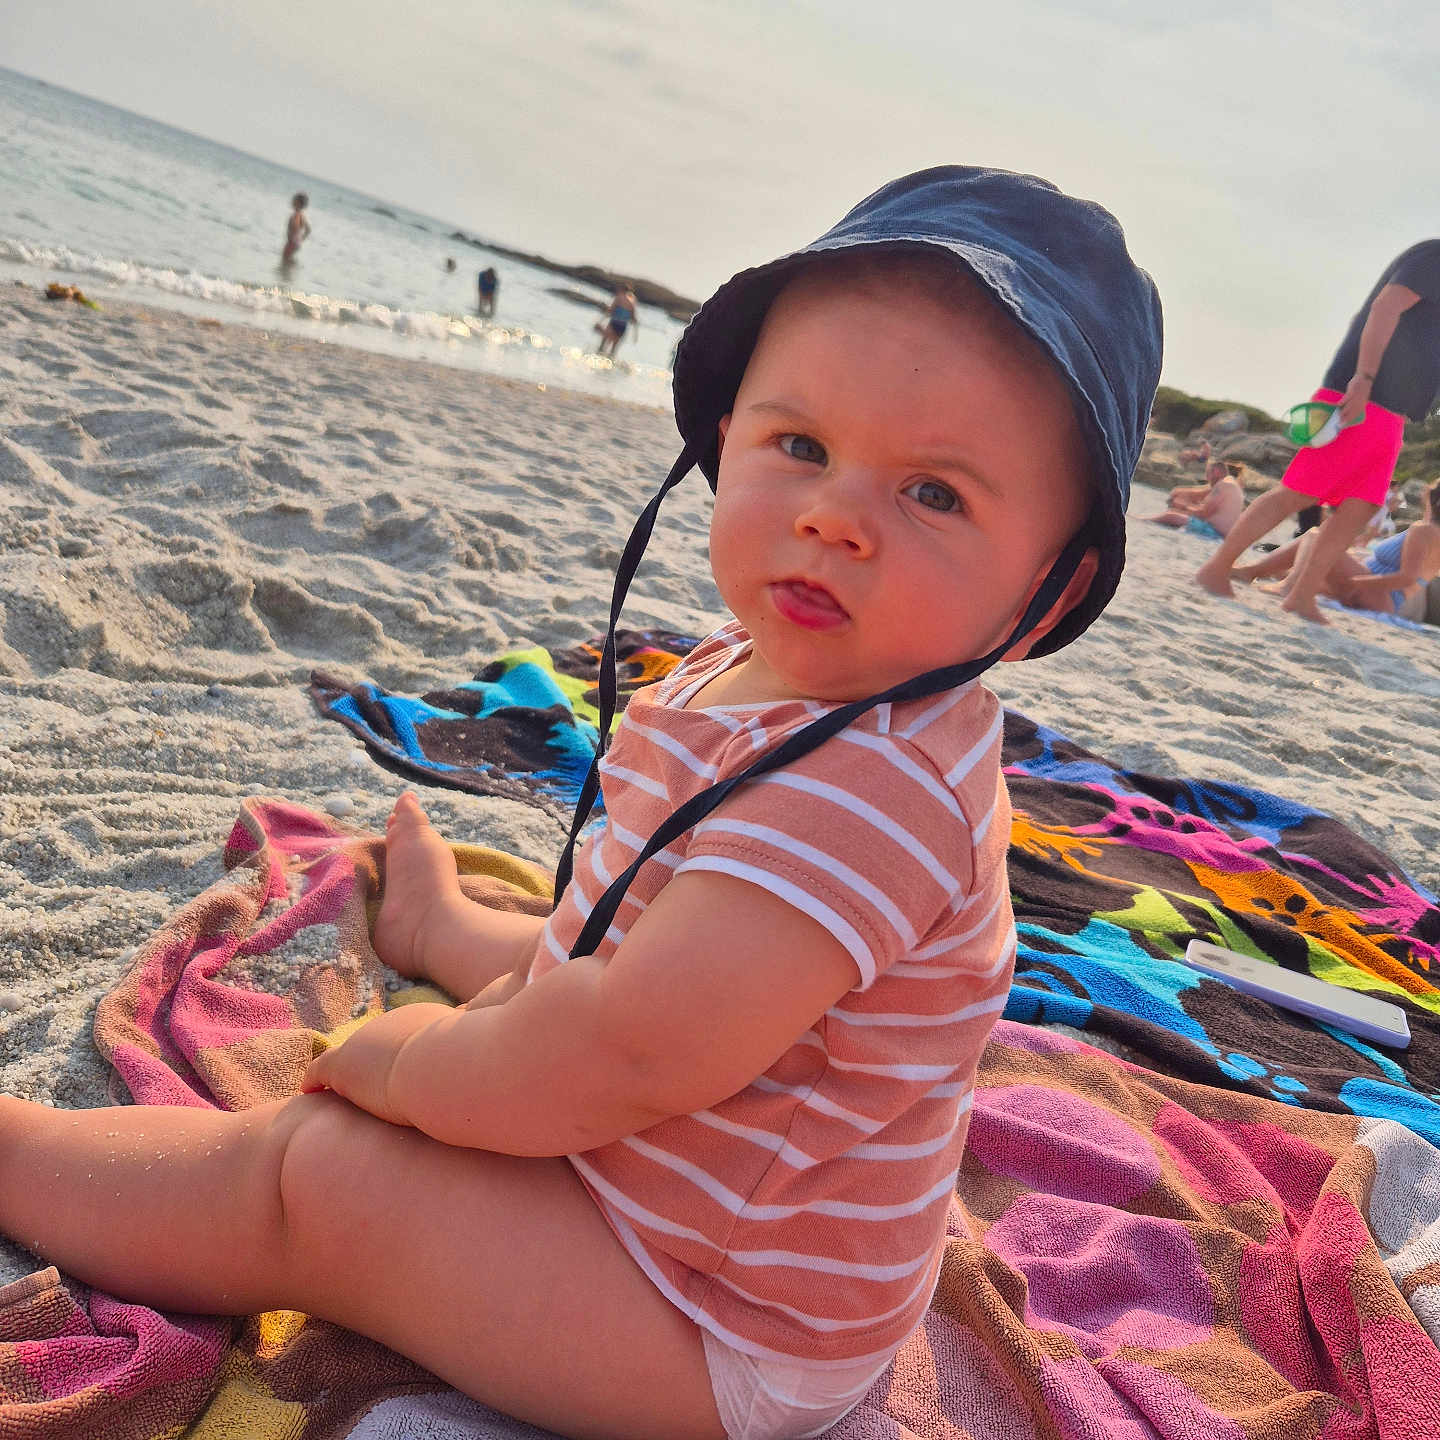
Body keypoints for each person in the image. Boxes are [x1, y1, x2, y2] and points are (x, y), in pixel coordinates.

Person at [0, 167, 1161, 1440]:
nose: (836, 518)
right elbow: (626, 949)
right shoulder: (765, 666)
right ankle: (445, 934)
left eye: (934, 493)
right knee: (581, 955)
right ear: (726, 433)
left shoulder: (874, 790)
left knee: (322, 1178)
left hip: (720, 1329)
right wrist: (496, 1018)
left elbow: (625, 1052)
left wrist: (411, 1066)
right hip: (664, 1157)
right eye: (803, 447)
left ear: (1049, 593)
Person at [1195, 239, 1440, 622]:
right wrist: (1363, 377)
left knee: (1362, 505)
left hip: (1390, 411)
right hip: (1364, 395)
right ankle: (1216, 569)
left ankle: (1301, 595)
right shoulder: (1435, 256)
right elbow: (1385, 307)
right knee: (1299, 492)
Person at [1233, 477, 1440, 622]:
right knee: (1300, 563)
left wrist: (1357, 582)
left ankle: (1284, 584)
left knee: (1317, 536)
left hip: (1375, 593)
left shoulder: (1423, 530)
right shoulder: (1431, 532)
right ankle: (1256, 573)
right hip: (1382, 599)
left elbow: (1407, 578)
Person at [1142, 458, 1245, 537]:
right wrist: (1184, 508)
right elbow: (1206, 511)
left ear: (1216, 472)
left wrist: (1183, 507)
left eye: (1207, 473)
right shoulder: (1231, 485)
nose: (1207, 478)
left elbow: (1203, 513)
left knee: (1170, 516)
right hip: (1220, 533)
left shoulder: (1222, 485)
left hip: (1213, 532)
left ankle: (1140, 521)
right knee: (1175, 515)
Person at [596, 285, 639, 357]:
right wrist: (635, 334)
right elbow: (633, 319)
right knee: (613, 350)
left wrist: (601, 320)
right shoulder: (632, 302)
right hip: (623, 326)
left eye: (619, 289)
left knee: (603, 342)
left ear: (622, 290)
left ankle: (598, 356)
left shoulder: (619, 297)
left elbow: (610, 310)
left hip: (614, 323)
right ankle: (610, 360)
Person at [281, 192, 311, 267]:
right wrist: (300, 239)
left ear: (298, 203)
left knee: (284, 258)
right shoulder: (302, 215)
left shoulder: (296, 215)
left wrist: (293, 236)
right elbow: (308, 230)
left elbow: (296, 226)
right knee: (289, 258)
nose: (292, 201)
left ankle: (291, 269)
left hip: (292, 242)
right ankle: (294, 267)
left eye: (294, 200)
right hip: (296, 243)